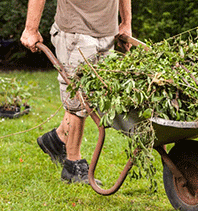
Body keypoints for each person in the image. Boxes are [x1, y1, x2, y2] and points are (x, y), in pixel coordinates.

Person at [20, 0, 132, 184]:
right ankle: (73, 164)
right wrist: (31, 29)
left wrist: (126, 23)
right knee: (78, 99)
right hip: (75, 31)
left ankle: (56, 139)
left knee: (92, 98)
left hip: (107, 32)